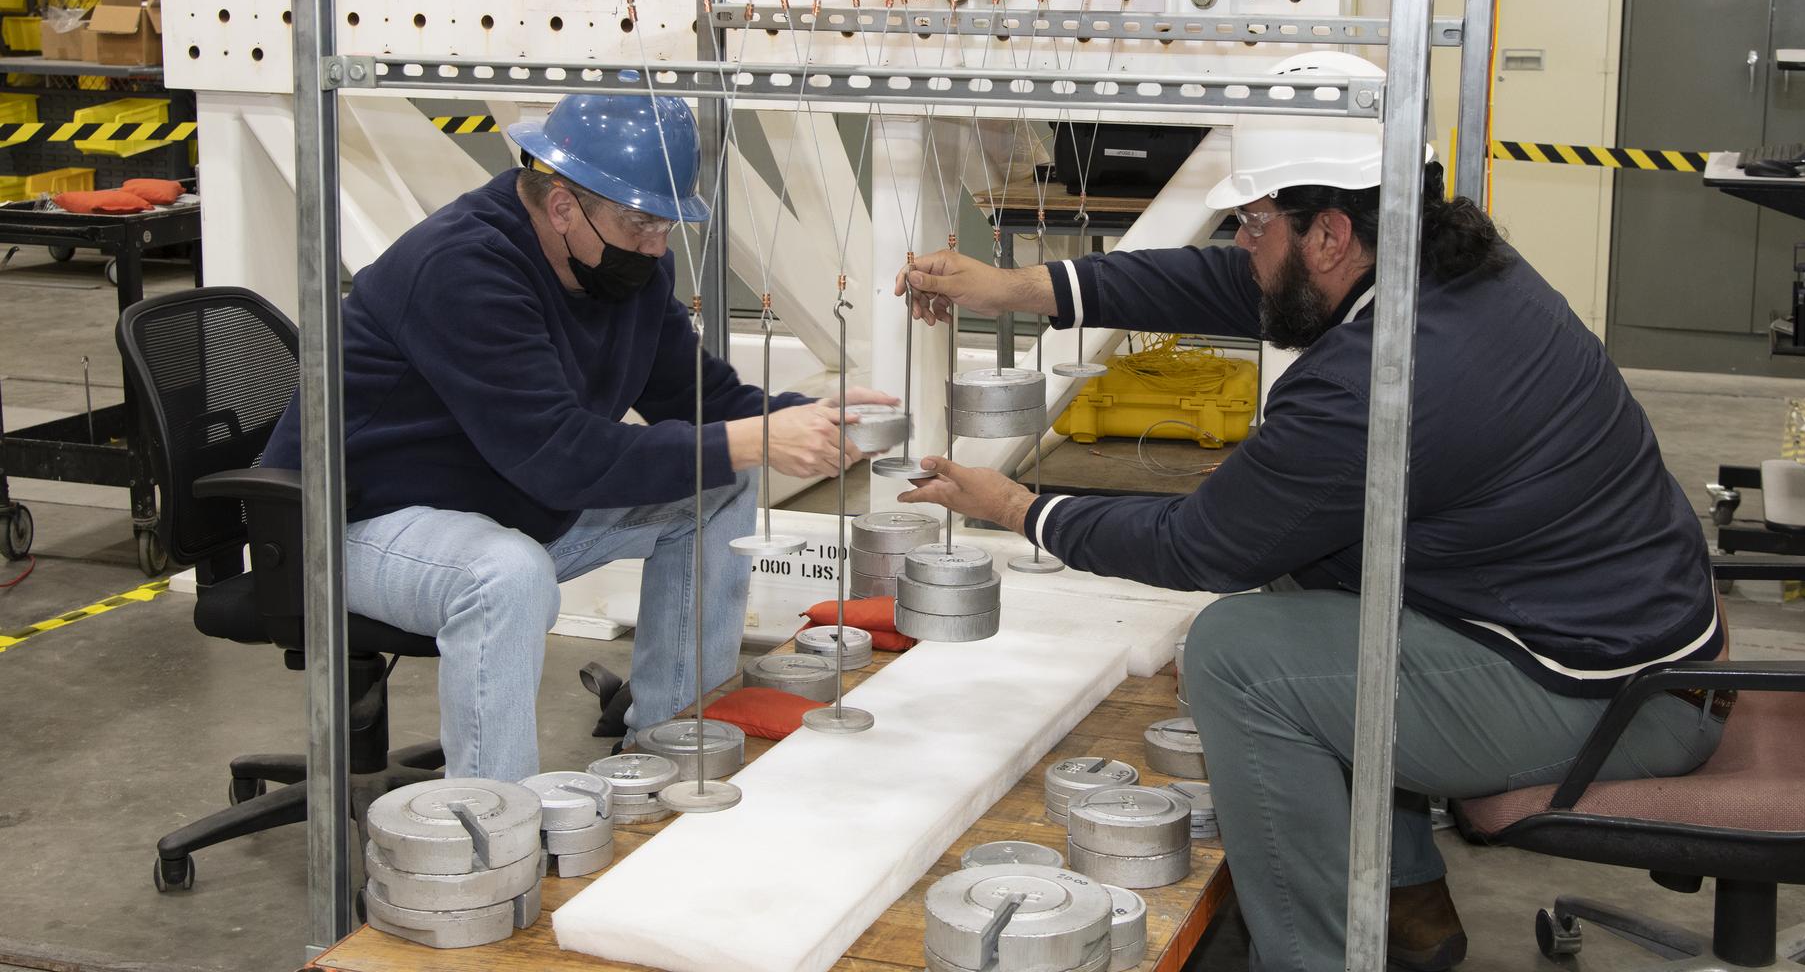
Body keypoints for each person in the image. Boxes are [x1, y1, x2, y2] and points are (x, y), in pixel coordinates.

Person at [894, 110, 1726, 972]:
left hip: (1611, 699)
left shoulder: (1375, 380)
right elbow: (1235, 284)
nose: (1245, 245)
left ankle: (1312, 955)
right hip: (1619, 635)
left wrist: (1019, 509)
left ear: (1329, 234)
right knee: (1317, 562)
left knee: (1239, 654)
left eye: (1255, 225)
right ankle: (1406, 900)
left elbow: (1200, 547)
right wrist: (1020, 289)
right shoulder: (1448, 273)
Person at [261, 91, 891, 781]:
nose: (657, 246)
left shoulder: (626, 264)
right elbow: (558, 457)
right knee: (505, 575)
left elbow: (695, 396)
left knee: (720, 478)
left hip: (499, 496)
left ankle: (673, 743)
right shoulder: (462, 267)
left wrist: (815, 415)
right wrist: (756, 438)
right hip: (355, 519)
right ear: (562, 205)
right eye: (642, 224)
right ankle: (489, 833)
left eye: (668, 225)